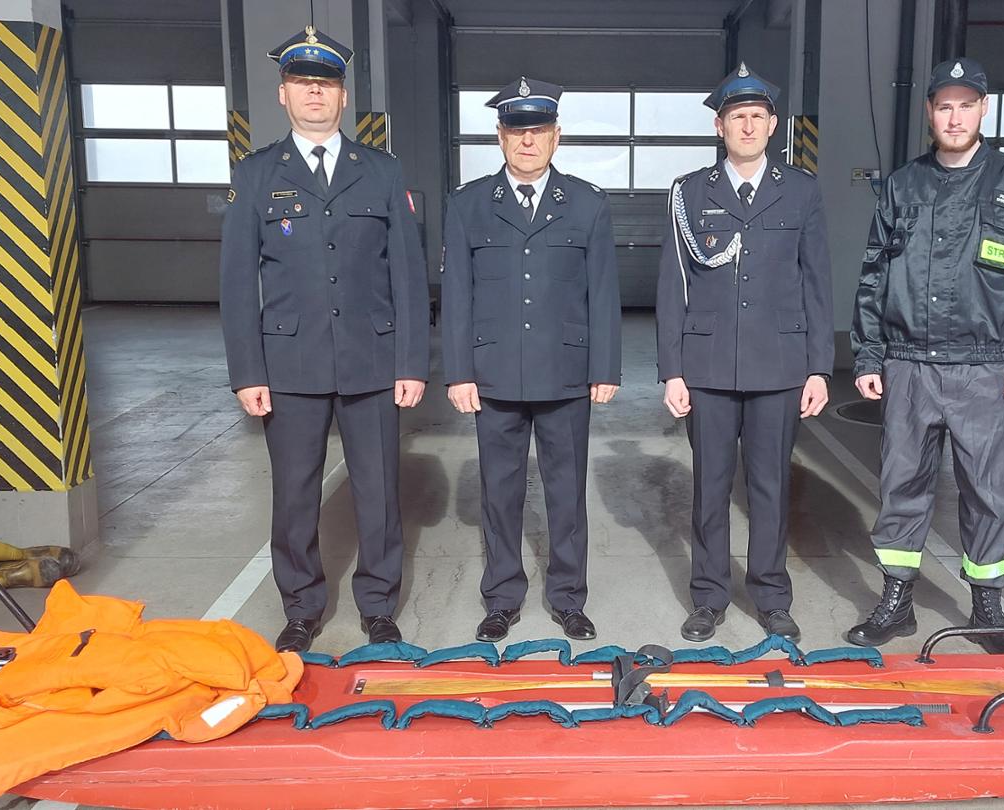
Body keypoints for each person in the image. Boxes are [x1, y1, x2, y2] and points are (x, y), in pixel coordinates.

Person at [218, 26, 429, 652]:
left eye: (326, 83)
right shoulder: (257, 174)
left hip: (372, 359)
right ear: (283, 94)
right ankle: (302, 607)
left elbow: (408, 275)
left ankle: (378, 605)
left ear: (343, 96)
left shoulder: (382, 171)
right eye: (303, 82)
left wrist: (411, 362)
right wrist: (247, 372)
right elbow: (237, 283)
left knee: (379, 491)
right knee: (294, 495)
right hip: (289, 363)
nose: (315, 92)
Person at [846, 58, 1004, 653]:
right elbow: (873, 277)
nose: (955, 117)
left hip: (984, 366)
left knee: (989, 490)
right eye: (945, 106)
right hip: (909, 363)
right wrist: (868, 356)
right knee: (902, 486)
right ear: (930, 112)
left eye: (966, 106)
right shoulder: (902, 185)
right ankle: (897, 601)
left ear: (984, 110)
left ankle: (986, 608)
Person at [655, 63, 832, 644]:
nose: (748, 126)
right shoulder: (689, 192)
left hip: (779, 367)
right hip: (707, 368)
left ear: (773, 124)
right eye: (737, 117)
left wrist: (819, 367)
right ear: (720, 126)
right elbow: (673, 285)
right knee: (709, 487)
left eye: (757, 116)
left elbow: (816, 283)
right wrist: (672, 370)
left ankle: (772, 596)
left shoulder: (800, 190)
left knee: (770, 487)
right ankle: (709, 597)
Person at [441, 77, 621, 643]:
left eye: (538, 130)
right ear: (500, 136)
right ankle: (502, 598)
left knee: (567, 494)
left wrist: (604, 367)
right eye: (516, 130)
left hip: (566, 374)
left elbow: (603, 292)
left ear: (555, 137)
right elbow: (458, 295)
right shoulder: (468, 205)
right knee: (500, 493)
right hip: (494, 375)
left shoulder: (588, 204)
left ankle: (568, 598)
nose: (527, 141)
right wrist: (458, 372)